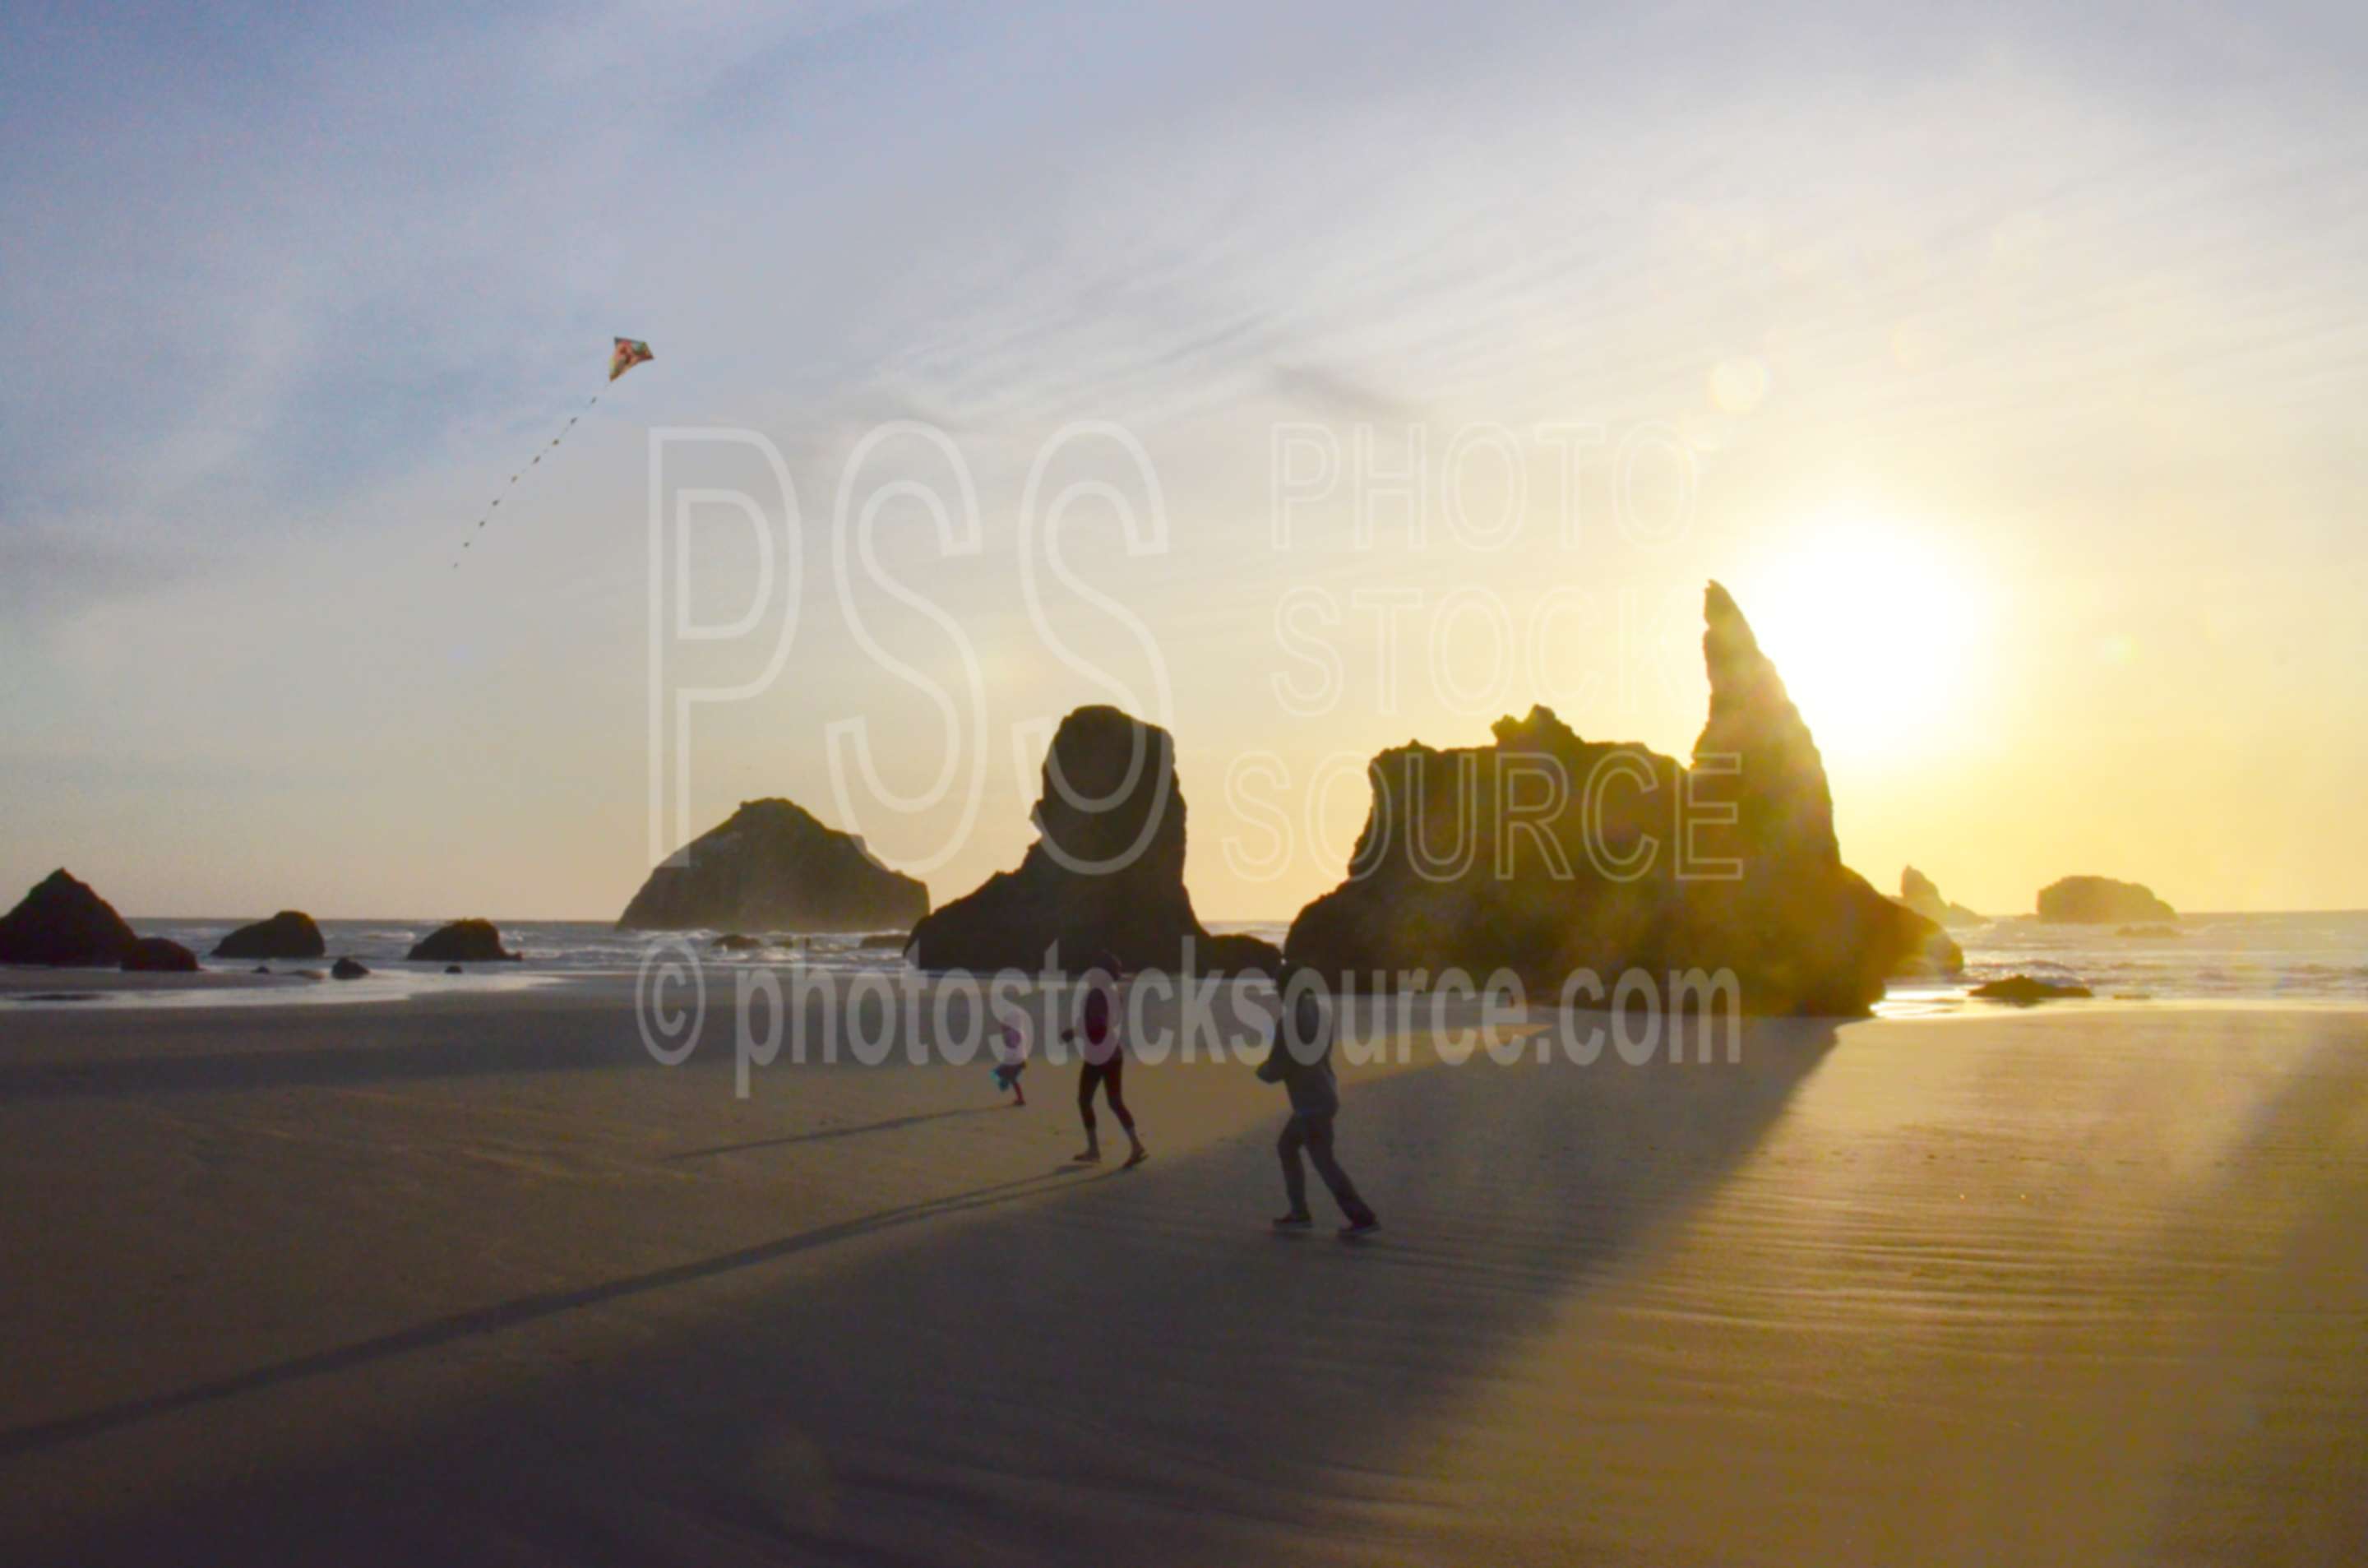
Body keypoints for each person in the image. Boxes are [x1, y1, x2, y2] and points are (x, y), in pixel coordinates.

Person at [1258, 969, 1378, 1237]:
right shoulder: (1322, 1011)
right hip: (1325, 1093)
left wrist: (1260, 1071)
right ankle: (1301, 1212)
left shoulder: (1289, 1022)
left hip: (1309, 1102)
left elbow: (1277, 1068)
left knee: (1323, 1161)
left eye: (1280, 988)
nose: (1278, 993)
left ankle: (1360, 1217)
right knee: (1289, 1147)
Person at [1062, 966, 1146, 1167]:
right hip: (1114, 1053)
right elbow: (1107, 1023)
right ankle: (1136, 1145)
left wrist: (1073, 1033)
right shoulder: (1115, 994)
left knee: (1084, 1100)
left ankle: (1094, 1149)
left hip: (1097, 1056)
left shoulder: (1095, 995)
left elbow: (1095, 1026)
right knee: (1115, 1102)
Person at [989, 1020, 1029, 1106]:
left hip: (1014, 1062)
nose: (1001, 1027)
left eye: (1003, 1025)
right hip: (1017, 1061)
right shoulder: (1016, 1032)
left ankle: (1004, 1083)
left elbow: (1013, 1046)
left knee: (994, 1074)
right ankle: (1020, 1098)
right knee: (1013, 1079)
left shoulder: (1010, 1033)